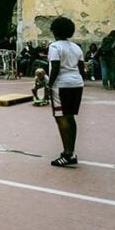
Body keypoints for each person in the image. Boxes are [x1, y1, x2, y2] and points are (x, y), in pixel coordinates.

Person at [46, 16, 85, 167]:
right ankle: (71, 151)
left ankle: (67, 154)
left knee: (61, 118)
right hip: (77, 83)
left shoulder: (54, 47)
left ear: (54, 31)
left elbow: (55, 67)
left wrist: (49, 85)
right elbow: (82, 68)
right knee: (71, 117)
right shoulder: (76, 47)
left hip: (61, 84)